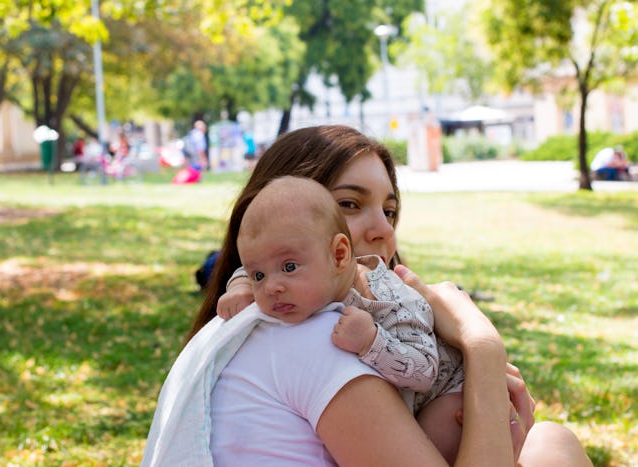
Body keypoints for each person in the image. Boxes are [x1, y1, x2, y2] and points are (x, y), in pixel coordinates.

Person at [145, 125, 591, 466]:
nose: (383, 230)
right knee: (552, 445)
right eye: (350, 204)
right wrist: (482, 345)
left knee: (549, 442)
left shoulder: (255, 328)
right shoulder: (312, 335)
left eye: (389, 209)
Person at [236, 175, 465, 463]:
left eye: (289, 267)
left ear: (340, 255)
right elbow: (258, 262)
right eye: (258, 275)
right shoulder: (306, 273)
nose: (271, 287)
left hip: (448, 394)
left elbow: (425, 371)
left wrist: (372, 341)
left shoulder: (389, 299)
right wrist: (240, 286)